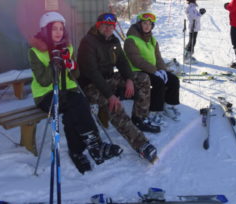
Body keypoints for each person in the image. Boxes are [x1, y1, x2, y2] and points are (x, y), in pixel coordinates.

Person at [28, 11, 122, 174]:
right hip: (46, 95)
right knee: (76, 104)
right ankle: (95, 145)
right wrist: (54, 64)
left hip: (68, 91)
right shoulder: (36, 51)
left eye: (61, 28)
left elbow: (76, 75)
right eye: (54, 29)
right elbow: (43, 80)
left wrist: (70, 65)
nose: (58, 32)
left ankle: (77, 151)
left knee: (76, 107)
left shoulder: (67, 47)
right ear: (45, 30)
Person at [77, 12, 158, 164]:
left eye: (111, 26)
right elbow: (92, 73)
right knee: (114, 105)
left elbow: (122, 62)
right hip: (91, 85)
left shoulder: (113, 41)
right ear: (98, 25)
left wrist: (129, 79)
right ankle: (141, 144)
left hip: (108, 79)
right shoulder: (88, 42)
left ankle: (139, 117)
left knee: (142, 78)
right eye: (105, 25)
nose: (108, 29)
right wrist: (110, 95)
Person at [124, 12, 181, 125]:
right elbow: (136, 60)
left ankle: (168, 105)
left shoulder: (152, 40)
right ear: (139, 24)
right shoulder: (131, 39)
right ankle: (153, 112)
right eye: (145, 23)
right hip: (137, 70)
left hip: (151, 69)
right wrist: (155, 71)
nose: (147, 26)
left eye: (150, 24)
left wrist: (163, 70)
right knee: (158, 82)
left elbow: (158, 57)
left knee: (173, 79)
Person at [183, 0, 206, 64]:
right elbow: (193, 17)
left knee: (192, 41)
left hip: (194, 27)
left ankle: (188, 55)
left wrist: (200, 13)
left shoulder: (192, 7)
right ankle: (186, 57)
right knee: (192, 42)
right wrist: (200, 13)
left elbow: (195, 16)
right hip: (193, 27)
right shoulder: (190, 8)